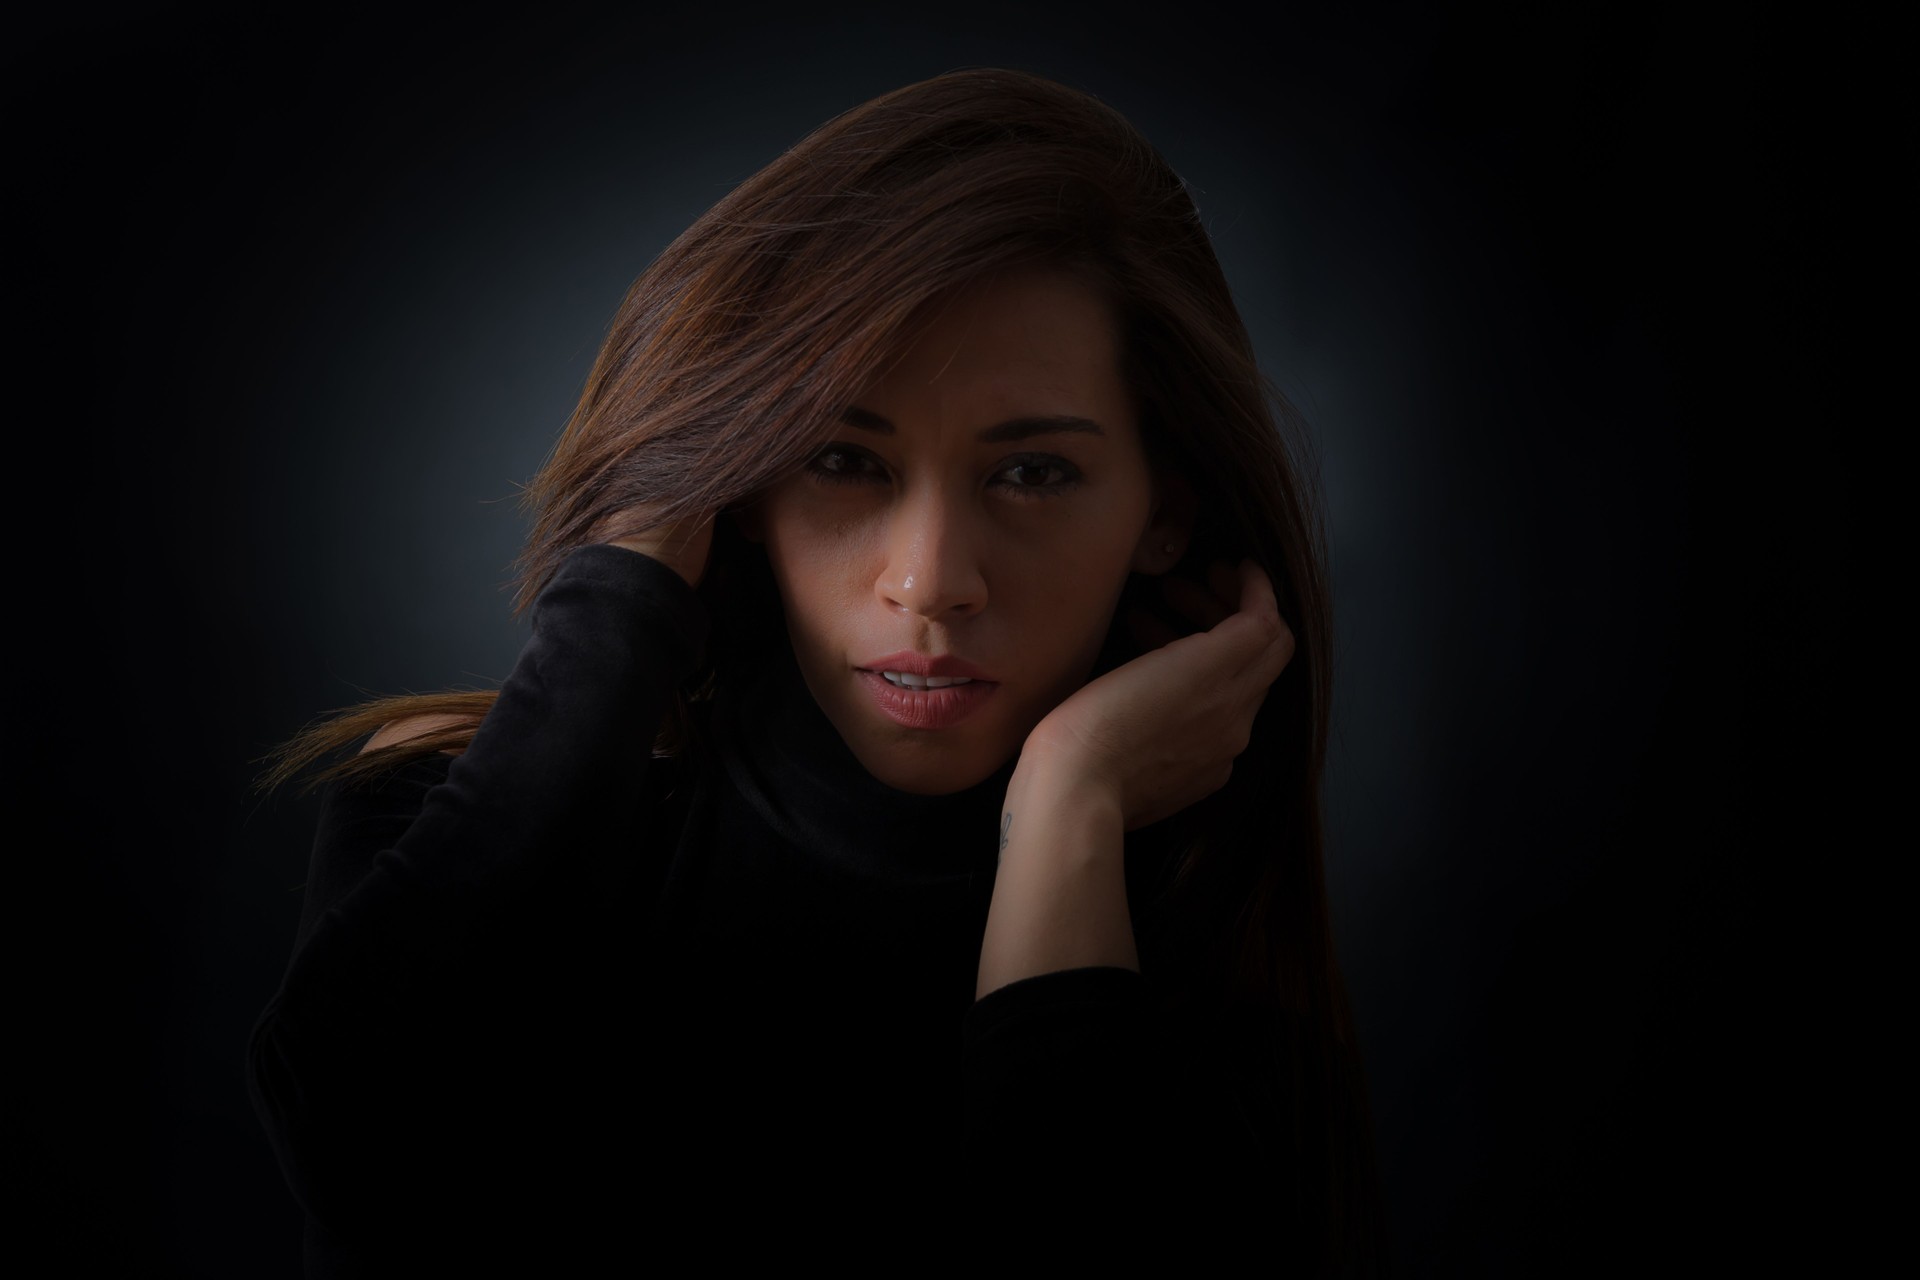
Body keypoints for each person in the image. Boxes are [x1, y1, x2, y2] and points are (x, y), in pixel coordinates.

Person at [250, 67, 1383, 1272]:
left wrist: (1068, 814)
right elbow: (357, 1160)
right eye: (844, 458)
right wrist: (617, 600)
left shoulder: (1194, 945)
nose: (932, 578)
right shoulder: (448, 818)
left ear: (1166, 510)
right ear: (740, 490)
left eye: (1033, 473)